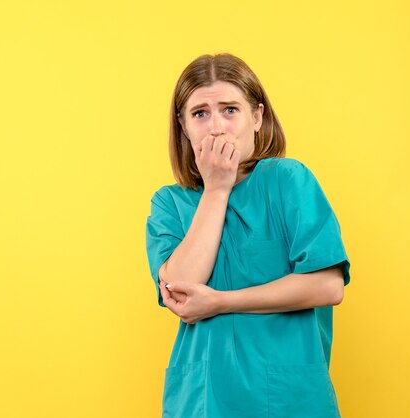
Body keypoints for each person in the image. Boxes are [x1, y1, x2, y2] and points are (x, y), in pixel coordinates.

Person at [145, 53, 351, 418]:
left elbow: (327, 286)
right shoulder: (170, 204)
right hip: (202, 402)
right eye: (199, 114)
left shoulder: (288, 181)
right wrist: (216, 190)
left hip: (289, 401)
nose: (216, 128)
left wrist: (222, 301)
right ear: (183, 126)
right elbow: (180, 286)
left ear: (256, 118)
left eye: (229, 110)